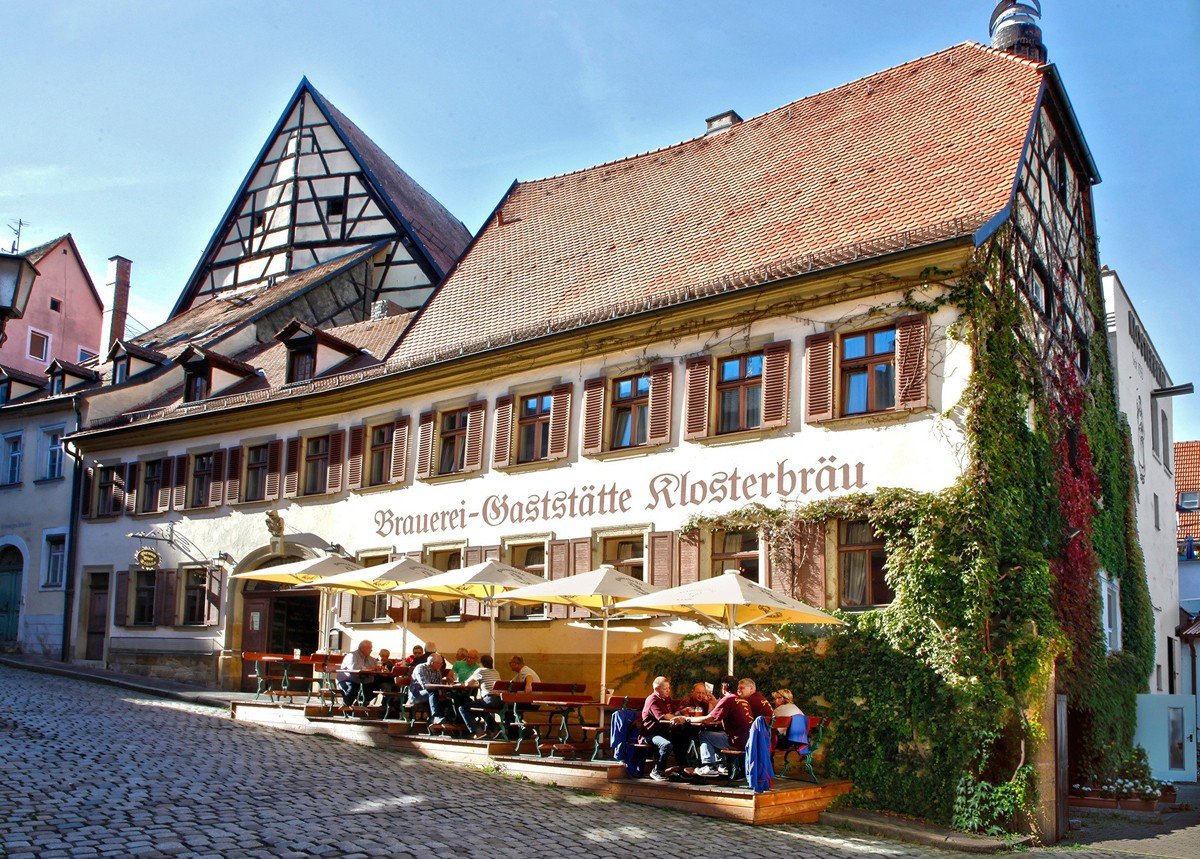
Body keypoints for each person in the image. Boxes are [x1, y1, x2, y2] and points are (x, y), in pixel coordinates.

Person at [686, 675, 753, 777]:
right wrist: (714, 702)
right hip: (749, 740)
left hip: (737, 742)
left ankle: (709, 766)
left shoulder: (728, 699)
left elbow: (708, 719)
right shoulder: (742, 700)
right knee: (717, 735)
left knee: (703, 734)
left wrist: (686, 719)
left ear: (724, 687)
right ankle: (722, 765)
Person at [641, 676, 693, 781]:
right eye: (665, 689)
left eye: (669, 688)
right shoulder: (653, 700)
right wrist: (681, 718)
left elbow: (673, 713)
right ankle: (657, 771)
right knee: (666, 744)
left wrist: (681, 712)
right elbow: (666, 717)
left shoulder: (666, 698)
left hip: (665, 732)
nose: (668, 691)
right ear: (656, 689)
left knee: (683, 739)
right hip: (650, 734)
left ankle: (682, 769)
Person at [458, 654, 503, 738]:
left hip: (489, 699)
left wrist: (460, 683)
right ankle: (494, 729)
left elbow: (468, 683)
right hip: (500, 700)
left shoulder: (480, 670)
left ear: (481, 663)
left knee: (463, 708)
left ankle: (478, 731)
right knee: (481, 709)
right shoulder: (496, 671)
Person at [335, 639, 380, 709]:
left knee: (376, 686)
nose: (371, 650)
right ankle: (345, 705)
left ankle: (362, 702)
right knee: (353, 687)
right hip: (347, 679)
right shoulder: (352, 656)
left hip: (363, 680)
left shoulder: (370, 658)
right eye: (369, 648)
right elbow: (353, 667)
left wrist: (379, 668)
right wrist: (370, 668)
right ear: (362, 648)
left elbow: (375, 666)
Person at [409, 652, 452, 723]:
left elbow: (439, 684)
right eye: (440, 663)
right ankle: (435, 717)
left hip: (431, 693)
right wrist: (438, 688)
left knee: (449, 696)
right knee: (432, 692)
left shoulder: (437, 671)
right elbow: (425, 685)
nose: (442, 665)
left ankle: (451, 719)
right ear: (432, 663)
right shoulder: (420, 668)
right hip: (416, 694)